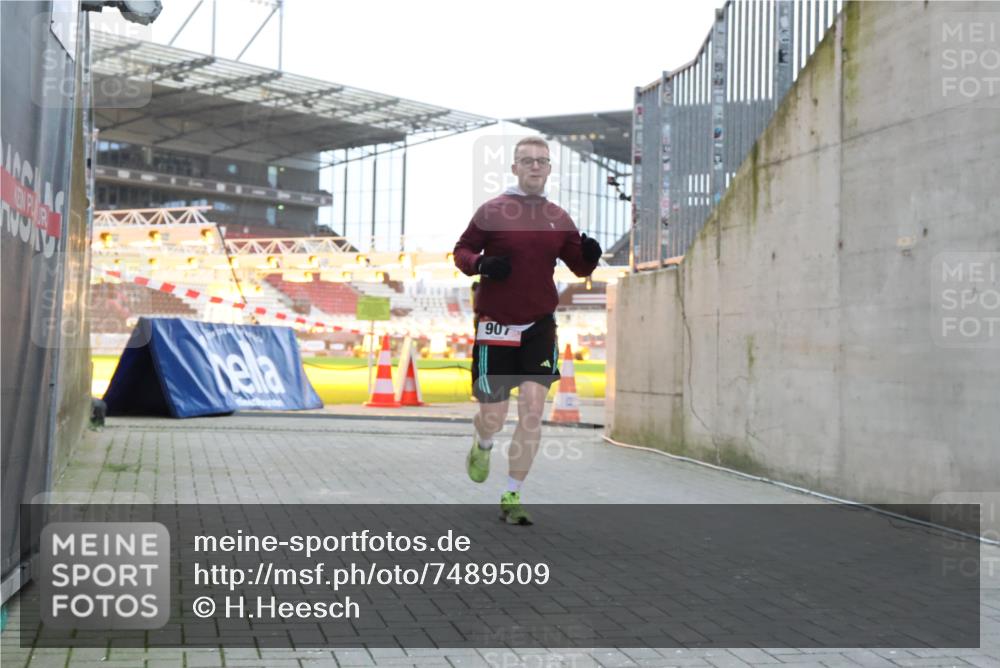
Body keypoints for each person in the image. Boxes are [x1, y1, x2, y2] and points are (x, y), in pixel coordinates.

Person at [453, 137, 602, 525]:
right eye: (527, 160)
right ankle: (483, 441)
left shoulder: (558, 217)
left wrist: (590, 256)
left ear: (549, 169)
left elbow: (579, 267)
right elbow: (462, 252)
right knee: (494, 416)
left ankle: (512, 494)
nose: (535, 166)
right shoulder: (492, 210)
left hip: (539, 326)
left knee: (533, 411)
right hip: (496, 325)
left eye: (542, 161)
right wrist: (481, 264)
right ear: (515, 168)